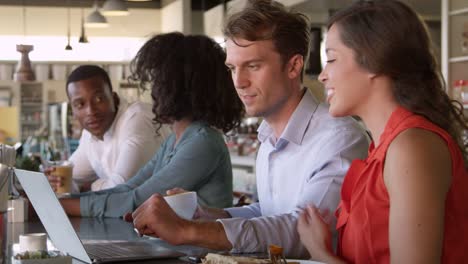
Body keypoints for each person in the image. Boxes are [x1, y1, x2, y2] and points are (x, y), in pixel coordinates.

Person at [128, 0, 369, 258]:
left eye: (253, 66)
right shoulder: (268, 137)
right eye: (233, 68)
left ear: (294, 66)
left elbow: (301, 232)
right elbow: (268, 212)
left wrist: (189, 230)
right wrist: (208, 215)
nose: (239, 82)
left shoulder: (340, 139)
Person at [297, 1, 468, 263]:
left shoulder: (411, 147)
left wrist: (320, 254)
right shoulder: (385, 148)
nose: (322, 75)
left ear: (374, 61)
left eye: (331, 59)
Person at [59, 32, 244, 218]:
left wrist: (60, 206)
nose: (154, 90)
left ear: (180, 87)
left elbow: (137, 200)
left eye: (159, 81)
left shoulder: (203, 143)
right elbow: (127, 188)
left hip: (202, 247)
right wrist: (62, 201)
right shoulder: (175, 140)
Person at [47, 65, 170, 192]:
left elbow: (120, 189)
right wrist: (56, 180)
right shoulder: (90, 135)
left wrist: (90, 186)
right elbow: (66, 176)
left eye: (98, 99)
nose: (91, 111)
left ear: (114, 97)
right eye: (80, 104)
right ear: (73, 111)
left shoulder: (137, 119)